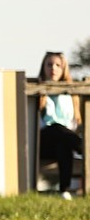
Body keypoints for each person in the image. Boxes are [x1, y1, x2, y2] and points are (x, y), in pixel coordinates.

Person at [37, 51, 84, 199]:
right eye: (49, 64)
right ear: (43, 67)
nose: (53, 68)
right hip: (42, 141)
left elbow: (74, 123)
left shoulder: (71, 93)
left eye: (58, 65)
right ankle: (83, 147)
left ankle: (64, 190)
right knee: (56, 128)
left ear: (64, 68)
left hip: (64, 139)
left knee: (64, 144)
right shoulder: (37, 90)